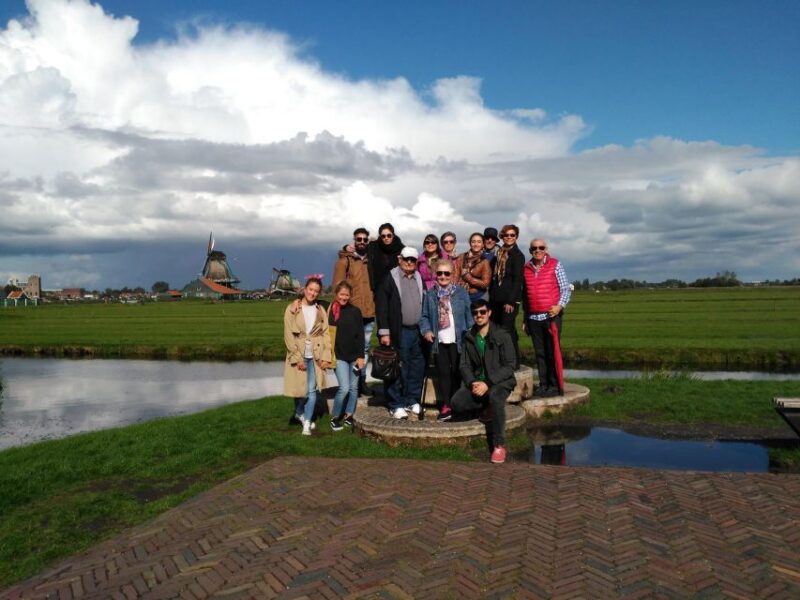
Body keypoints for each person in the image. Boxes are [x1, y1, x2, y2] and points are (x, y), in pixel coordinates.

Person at [451, 299, 517, 464]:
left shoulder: (502, 334)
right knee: (456, 403)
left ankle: (499, 445)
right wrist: (472, 381)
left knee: (495, 397)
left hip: (500, 382)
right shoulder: (469, 336)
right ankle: (486, 406)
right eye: (475, 313)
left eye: (482, 312)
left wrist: (488, 382)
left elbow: (511, 365)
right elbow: (464, 364)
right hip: (479, 382)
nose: (478, 316)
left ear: (489, 313)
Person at [420, 259, 473, 421]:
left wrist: (471, 333)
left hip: (458, 338)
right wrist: (427, 330)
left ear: (452, 274)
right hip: (440, 340)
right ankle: (447, 405)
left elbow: (468, 314)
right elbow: (424, 317)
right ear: (435, 275)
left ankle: (458, 404)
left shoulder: (461, 292)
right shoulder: (430, 295)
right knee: (443, 373)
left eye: (446, 273)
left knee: (457, 372)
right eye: (440, 273)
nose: (443, 276)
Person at [375, 246, 425, 419]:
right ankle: (395, 403)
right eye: (406, 259)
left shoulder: (419, 277)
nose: (409, 262)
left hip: (418, 332)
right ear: (400, 259)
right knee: (396, 369)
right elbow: (381, 307)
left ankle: (411, 399)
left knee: (416, 368)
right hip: (399, 331)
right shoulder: (390, 278)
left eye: (413, 260)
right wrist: (384, 332)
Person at [522, 238, 572, 398]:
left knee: (552, 352)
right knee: (540, 353)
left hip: (550, 316)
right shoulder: (526, 268)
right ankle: (544, 384)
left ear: (546, 249)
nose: (537, 250)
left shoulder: (555, 264)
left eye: (541, 247)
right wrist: (525, 318)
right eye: (534, 248)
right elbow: (526, 296)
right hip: (533, 318)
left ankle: (555, 385)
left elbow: (565, 289)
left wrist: (559, 306)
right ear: (530, 250)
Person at [283, 277, 332, 435]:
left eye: (316, 291)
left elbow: (326, 334)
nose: (313, 293)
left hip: (315, 355)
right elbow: (288, 335)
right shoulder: (292, 309)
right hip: (299, 351)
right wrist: (297, 358)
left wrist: (326, 356)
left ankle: (307, 421)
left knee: (312, 391)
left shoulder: (320, 310)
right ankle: (299, 412)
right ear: (305, 289)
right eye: (310, 289)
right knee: (300, 389)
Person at [333, 227, 376, 396]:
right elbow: (337, 286)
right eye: (359, 239)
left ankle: (361, 381)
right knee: (351, 347)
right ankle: (352, 384)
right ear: (354, 240)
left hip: (369, 311)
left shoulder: (372, 259)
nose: (362, 242)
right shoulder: (346, 261)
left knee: (364, 348)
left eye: (365, 239)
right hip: (351, 312)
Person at [327, 281, 365, 430]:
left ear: (350, 296)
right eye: (341, 294)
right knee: (344, 387)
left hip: (355, 357)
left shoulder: (355, 311)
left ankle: (349, 415)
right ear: (336, 294)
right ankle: (335, 416)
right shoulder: (330, 310)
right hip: (339, 357)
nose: (344, 297)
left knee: (354, 388)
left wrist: (361, 356)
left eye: (347, 295)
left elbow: (361, 335)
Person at [488, 224, 525, 370]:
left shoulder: (517, 255)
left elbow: (517, 280)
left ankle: (513, 362)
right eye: (506, 235)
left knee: (507, 331)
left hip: (508, 301)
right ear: (502, 237)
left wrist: (511, 301)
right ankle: (501, 360)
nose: (509, 237)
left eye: (512, 235)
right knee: (497, 331)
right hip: (496, 299)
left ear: (516, 237)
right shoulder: (499, 254)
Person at [367, 223, 404, 298]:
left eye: (389, 235)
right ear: (380, 236)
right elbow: (360, 247)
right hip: (378, 290)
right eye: (383, 236)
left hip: (396, 290)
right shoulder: (374, 246)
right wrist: (346, 247)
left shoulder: (401, 248)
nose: (386, 238)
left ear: (393, 235)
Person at [457, 232, 492, 302]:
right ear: (470, 243)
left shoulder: (484, 261)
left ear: (483, 244)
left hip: (478, 296)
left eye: (479, 242)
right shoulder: (461, 257)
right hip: (461, 294)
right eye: (473, 242)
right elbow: (455, 275)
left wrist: (469, 277)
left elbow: (485, 283)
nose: (476, 244)